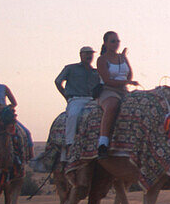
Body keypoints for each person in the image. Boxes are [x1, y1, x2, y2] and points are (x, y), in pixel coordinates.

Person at [95, 30, 139, 158]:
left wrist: (127, 81)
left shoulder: (123, 57)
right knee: (113, 105)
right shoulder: (101, 60)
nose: (116, 44)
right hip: (108, 90)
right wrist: (128, 81)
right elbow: (107, 80)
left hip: (124, 90)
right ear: (106, 43)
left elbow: (130, 73)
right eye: (113, 41)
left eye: (117, 41)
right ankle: (103, 143)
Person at [54, 45, 101, 146]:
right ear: (81, 55)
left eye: (91, 54)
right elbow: (58, 81)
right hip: (76, 99)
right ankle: (69, 142)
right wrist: (66, 96)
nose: (89, 56)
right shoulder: (71, 68)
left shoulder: (96, 72)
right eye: (87, 53)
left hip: (92, 100)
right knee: (73, 115)